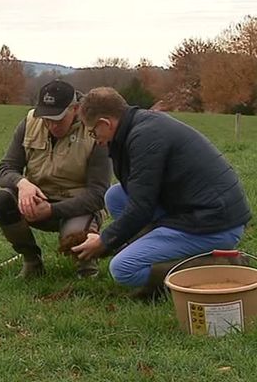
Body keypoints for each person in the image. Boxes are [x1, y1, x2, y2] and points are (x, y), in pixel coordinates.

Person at [71, 87, 252, 297]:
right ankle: (158, 252)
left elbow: (141, 207)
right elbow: (138, 196)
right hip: (192, 209)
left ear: (105, 123)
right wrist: (114, 239)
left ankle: (219, 264)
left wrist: (104, 241)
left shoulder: (145, 137)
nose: (95, 138)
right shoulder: (137, 127)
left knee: (123, 269)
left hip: (215, 224)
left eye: (93, 131)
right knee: (115, 196)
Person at [0, 80, 112, 279]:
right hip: (37, 200)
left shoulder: (95, 131)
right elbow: (5, 169)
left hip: (78, 206)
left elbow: (99, 194)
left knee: (75, 238)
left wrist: (52, 210)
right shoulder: (29, 122)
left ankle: (87, 266)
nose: (51, 125)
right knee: (2, 199)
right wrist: (23, 184)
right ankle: (32, 261)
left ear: (76, 109)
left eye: (58, 119)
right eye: (46, 119)